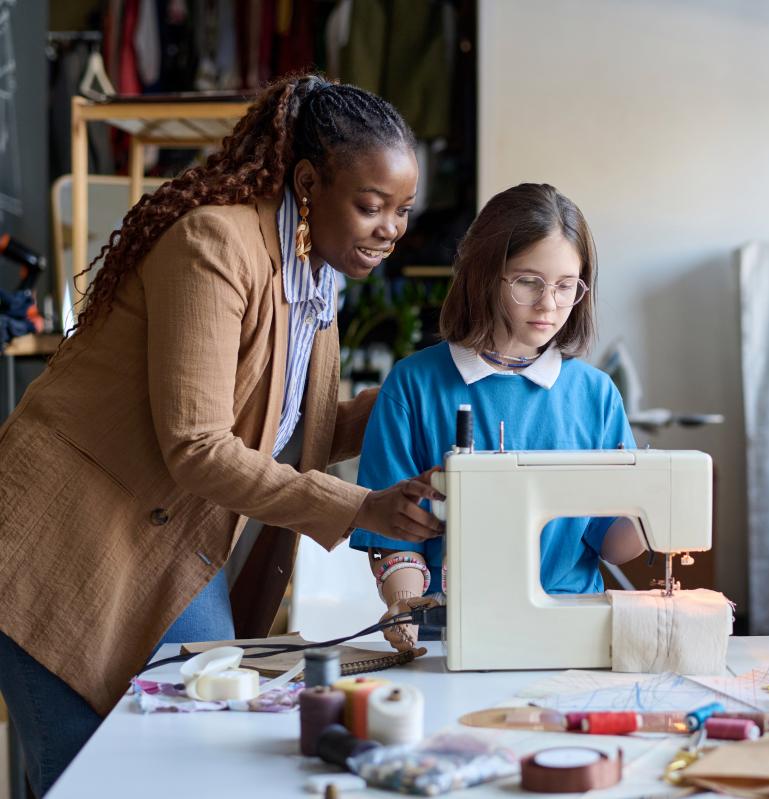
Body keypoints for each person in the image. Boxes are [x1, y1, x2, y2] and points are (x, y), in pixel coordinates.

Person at [0, 74, 440, 796]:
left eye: (402, 211)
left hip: (159, 536)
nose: (390, 229)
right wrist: (360, 507)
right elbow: (200, 444)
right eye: (370, 206)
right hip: (57, 535)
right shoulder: (214, 244)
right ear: (307, 181)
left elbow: (295, 431)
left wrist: (425, 388)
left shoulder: (311, 278)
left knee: (191, 756)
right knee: (89, 776)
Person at [348, 183, 646, 650]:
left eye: (567, 286)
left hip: (575, 631)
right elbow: (393, 533)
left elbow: (612, 542)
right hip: (447, 631)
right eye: (529, 282)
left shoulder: (596, 395)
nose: (549, 303)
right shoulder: (413, 386)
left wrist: (654, 512)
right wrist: (404, 607)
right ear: (485, 275)